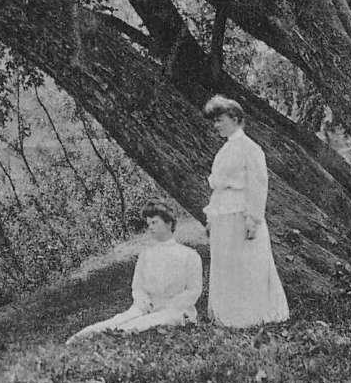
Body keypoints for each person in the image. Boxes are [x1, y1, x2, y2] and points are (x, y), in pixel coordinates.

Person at [202, 94, 289, 327]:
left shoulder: (250, 148)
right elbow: (219, 187)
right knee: (227, 263)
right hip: (224, 212)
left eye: (220, 120)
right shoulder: (226, 150)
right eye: (215, 121)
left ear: (235, 118)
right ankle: (228, 314)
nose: (216, 125)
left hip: (242, 214)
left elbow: (258, 185)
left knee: (247, 264)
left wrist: (253, 219)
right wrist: (212, 216)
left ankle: (251, 315)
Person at [66, 198, 202, 344]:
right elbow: (138, 287)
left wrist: (171, 305)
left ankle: (111, 339)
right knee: (113, 323)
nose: (150, 227)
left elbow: (194, 290)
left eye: (154, 222)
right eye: (148, 224)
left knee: (134, 328)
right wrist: (143, 302)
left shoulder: (189, 255)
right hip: (148, 307)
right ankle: (80, 339)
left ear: (169, 223)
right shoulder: (146, 255)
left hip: (177, 311)